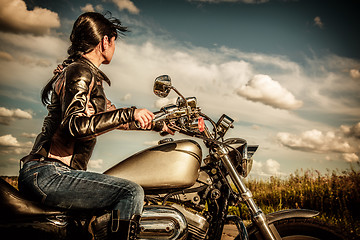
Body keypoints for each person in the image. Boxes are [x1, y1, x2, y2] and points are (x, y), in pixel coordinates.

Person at [18, 12, 172, 240]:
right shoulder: (80, 71)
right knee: (130, 192)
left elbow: (112, 118)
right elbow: (75, 125)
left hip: (54, 173)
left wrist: (159, 124)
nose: (114, 48)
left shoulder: (82, 73)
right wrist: (131, 112)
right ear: (105, 41)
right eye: (114, 41)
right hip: (48, 173)